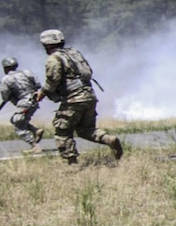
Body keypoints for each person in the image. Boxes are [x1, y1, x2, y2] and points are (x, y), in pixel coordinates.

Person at [36, 29, 121, 166]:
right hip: (89, 95)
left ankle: (72, 163)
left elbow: (53, 80)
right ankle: (108, 139)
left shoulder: (54, 59)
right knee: (85, 129)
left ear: (47, 44)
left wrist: (42, 93)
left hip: (73, 99)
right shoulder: (74, 53)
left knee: (62, 130)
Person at [0, 56, 43, 152]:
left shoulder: (6, 79)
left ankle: (34, 146)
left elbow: (4, 96)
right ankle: (35, 130)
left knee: (18, 125)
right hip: (34, 101)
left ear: (5, 68)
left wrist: (13, 95)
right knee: (17, 120)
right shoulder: (27, 72)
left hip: (23, 103)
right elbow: (38, 85)